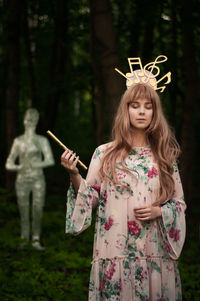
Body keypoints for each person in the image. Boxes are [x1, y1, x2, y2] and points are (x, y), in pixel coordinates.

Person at [61, 82, 186, 300]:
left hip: (154, 251)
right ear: (125, 110)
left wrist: (160, 212)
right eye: (135, 105)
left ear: (155, 113)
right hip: (114, 252)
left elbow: (178, 203)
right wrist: (74, 174)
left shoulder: (164, 157)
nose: (141, 111)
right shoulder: (104, 154)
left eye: (148, 106)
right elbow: (90, 197)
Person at [6, 108, 55, 250]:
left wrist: (37, 164)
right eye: (28, 119)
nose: (30, 122)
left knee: (37, 208)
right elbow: (9, 162)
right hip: (21, 179)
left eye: (33, 119)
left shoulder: (42, 140)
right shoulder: (18, 141)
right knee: (23, 208)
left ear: (37, 121)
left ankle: (35, 238)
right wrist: (18, 167)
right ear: (24, 120)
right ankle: (24, 237)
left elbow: (50, 160)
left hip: (38, 178)